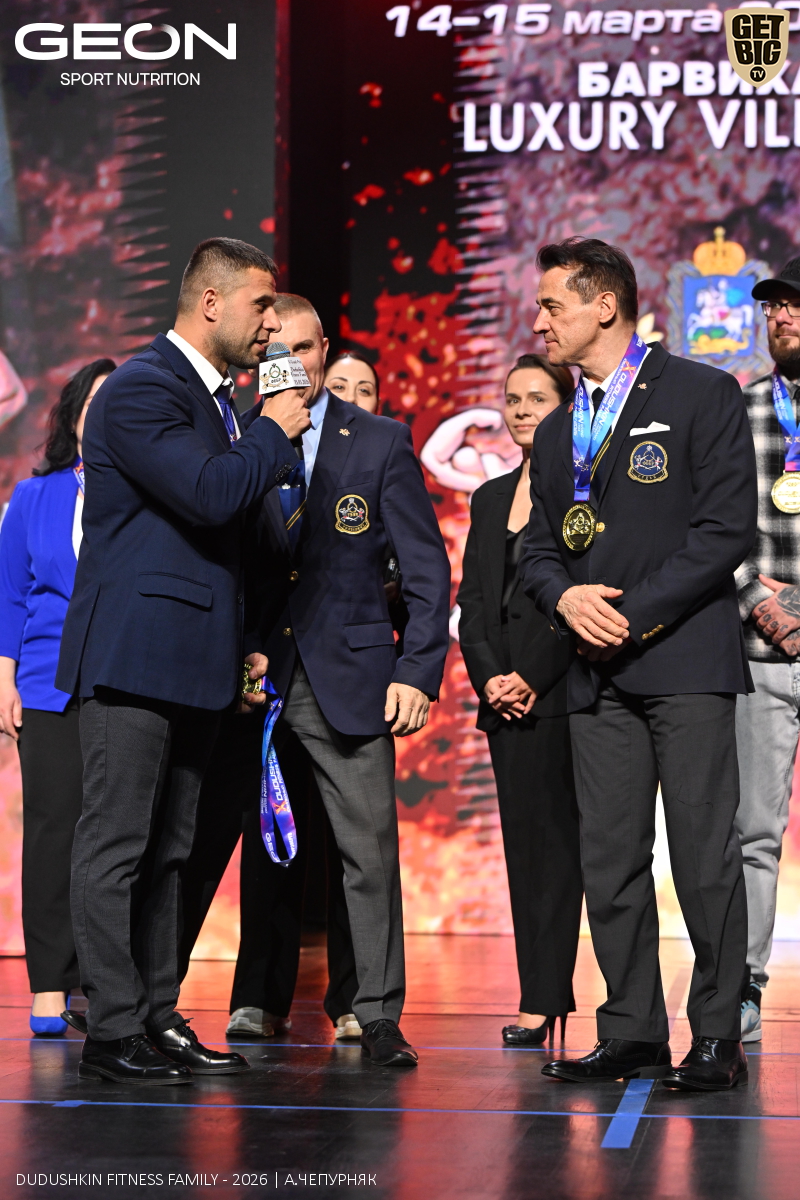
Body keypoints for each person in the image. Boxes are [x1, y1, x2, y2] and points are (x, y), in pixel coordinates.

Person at [55, 237, 310, 1086]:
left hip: (195, 659)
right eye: (261, 305)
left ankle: (157, 1014)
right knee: (117, 842)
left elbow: (229, 539)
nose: (271, 324)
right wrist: (274, 431)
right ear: (210, 303)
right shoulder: (141, 387)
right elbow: (207, 494)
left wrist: (242, 643)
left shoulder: (217, 402)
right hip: (132, 654)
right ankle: (111, 1028)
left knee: (173, 849)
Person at [181, 292, 451, 1068]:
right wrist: (236, 652)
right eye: (277, 353)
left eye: (303, 349)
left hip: (352, 676)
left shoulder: (380, 440)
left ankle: (378, 1011)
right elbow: (223, 566)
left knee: (368, 853)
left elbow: (426, 569)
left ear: (325, 351)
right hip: (255, 680)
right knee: (221, 846)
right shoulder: (238, 439)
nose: (292, 365)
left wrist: (417, 670)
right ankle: (161, 1005)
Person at [521, 237, 757, 1091]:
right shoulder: (559, 429)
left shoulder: (702, 392)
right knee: (610, 858)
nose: (539, 321)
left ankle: (717, 1033)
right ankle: (630, 1030)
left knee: (704, 856)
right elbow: (538, 549)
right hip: (594, 673)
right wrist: (564, 600)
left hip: (684, 661)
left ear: (605, 306)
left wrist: (628, 616)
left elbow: (726, 532)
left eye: (552, 305)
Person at [457, 354, 582, 1046]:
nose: (523, 409)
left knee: (560, 852)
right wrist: (491, 678)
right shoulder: (489, 497)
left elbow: (579, 600)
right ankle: (537, 989)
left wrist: (532, 675)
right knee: (523, 853)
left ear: (567, 407)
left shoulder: (583, 492)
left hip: (561, 693)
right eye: (513, 399)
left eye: (538, 397)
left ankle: (546, 998)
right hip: (502, 698)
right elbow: (474, 603)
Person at [0, 359, 114, 1037]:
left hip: (120, 681)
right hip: (46, 683)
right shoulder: (33, 496)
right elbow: (10, 595)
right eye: (92, 403)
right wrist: (3, 679)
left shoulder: (145, 498)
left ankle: (108, 984)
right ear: (73, 417)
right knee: (51, 829)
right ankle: (49, 984)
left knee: (115, 836)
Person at [733, 255, 800, 1043]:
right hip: (759, 652)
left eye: (794, 305)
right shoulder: (742, 408)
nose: (780, 317)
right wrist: (758, 599)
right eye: (773, 307)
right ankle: (745, 987)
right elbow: (712, 527)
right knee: (753, 831)